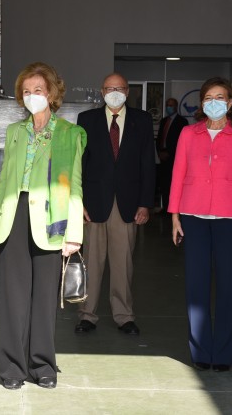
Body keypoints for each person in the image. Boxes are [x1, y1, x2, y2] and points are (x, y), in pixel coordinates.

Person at [0, 62, 85, 390]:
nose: (32, 96)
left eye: (38, 90)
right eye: (26, 91)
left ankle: (43, 366)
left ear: (51, 94)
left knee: (44, 300)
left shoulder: (70, 134)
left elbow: (73, 185)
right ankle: (11, 368)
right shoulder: (14, 133)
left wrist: (74, 234)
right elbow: (5, 183)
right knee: (13, 299)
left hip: (52, 220)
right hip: (14, 217)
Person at [169, 77, 232, 372]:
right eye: (208, 97)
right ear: (202, 103)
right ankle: (199, 352)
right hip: (193, 217)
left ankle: (222, 354)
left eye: (220, 97)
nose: (214, 102)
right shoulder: (187, 133)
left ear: (231, 103)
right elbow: (178, 173)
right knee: (196, 288)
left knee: (228, 287)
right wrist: (174, 216)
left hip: (231, 220)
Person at [74, 73, 156, 336]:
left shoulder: (142, 121)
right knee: (91, 262)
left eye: (119, 88)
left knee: (123, 263)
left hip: (128, 204)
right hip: (94, 203)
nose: (114, 92)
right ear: (101, 91)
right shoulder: (86, 120)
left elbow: (147, 164)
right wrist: (79, 202)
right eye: (109, 88)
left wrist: (146, 203)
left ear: (128, 91)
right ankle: (88, 314)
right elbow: (79, 164)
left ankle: (124, 316)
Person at [156, 97, 188, 212]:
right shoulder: (164, 121)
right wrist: (159, 152)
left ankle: (173, 209)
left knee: (173, 183)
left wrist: (169, 153)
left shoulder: (182, 122)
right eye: (167, 105)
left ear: (176, 106)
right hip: (163, 157)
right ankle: (165, 208)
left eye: (171, 105)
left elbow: (181, 141)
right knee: (164, 184)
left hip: (174, 158)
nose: (169, 108)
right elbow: (159, 138)